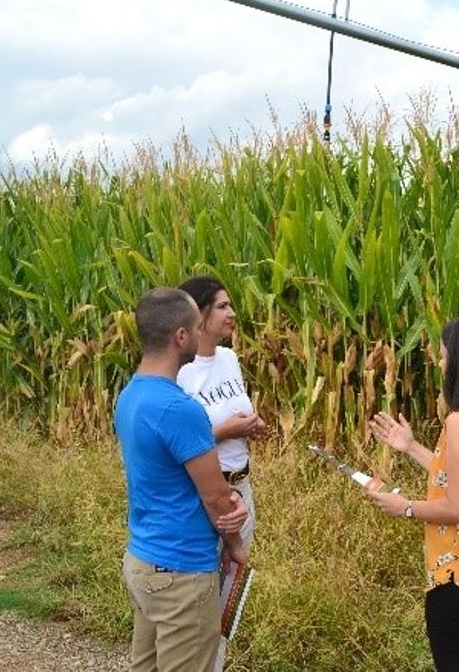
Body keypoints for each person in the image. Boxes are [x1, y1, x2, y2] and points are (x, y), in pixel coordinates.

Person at [366, 314, 459, 672]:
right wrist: (411, 446)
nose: (440, 361)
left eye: (445, 354)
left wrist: (404, 507)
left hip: (458, 575)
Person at [115, 287, 249, 672]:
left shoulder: (130, 395)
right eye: (194, 326)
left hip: (144, 558)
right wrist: (235, 539)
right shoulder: (180, 409)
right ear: (180, 336)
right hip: (182, 569)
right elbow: (217, 499)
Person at [176, 275, 266, 672]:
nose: (233, 313)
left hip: (240, 486)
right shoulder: (182, 373)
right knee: (200, 598)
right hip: (207, 496)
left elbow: (235, 414)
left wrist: (251, 426)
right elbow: (178, 439)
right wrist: (230, 429)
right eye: (224, 306)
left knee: (228, 596)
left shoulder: (229, 359)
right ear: (201, 314)